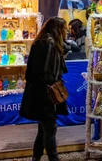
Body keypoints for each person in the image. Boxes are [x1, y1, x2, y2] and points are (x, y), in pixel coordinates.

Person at [20, 17, 69, 161]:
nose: (66, 31)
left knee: (43, 128)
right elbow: (51, 72)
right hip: (46, 92)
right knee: (50, 127)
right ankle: (53, 159)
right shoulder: (51, 45)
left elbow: (32, 71)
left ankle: (36, 157)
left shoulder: (40, 42)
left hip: (37, 91)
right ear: (58, 30)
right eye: (64, 28)